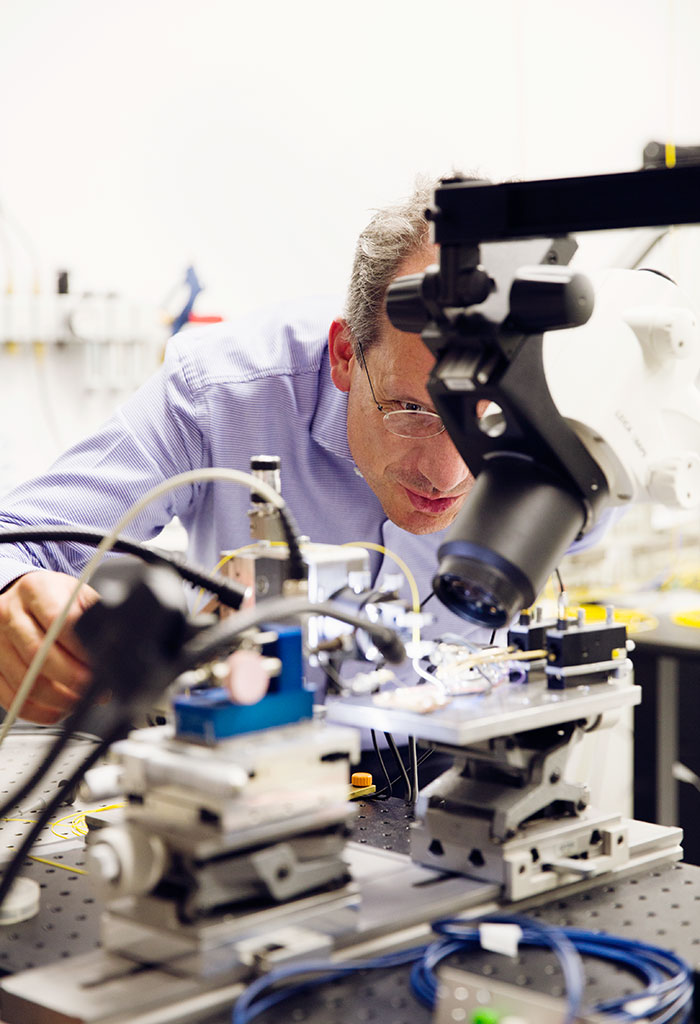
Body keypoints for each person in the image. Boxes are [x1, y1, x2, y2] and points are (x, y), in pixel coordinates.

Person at [0, 179, 491, 725]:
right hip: (252, 761)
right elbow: (18, 539)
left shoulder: (579, 417)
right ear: (347, 354)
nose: (446, 476)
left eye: (487, 418)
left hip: (465, 762)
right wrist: (14, 596)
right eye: (410, 410)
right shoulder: (224, 389)